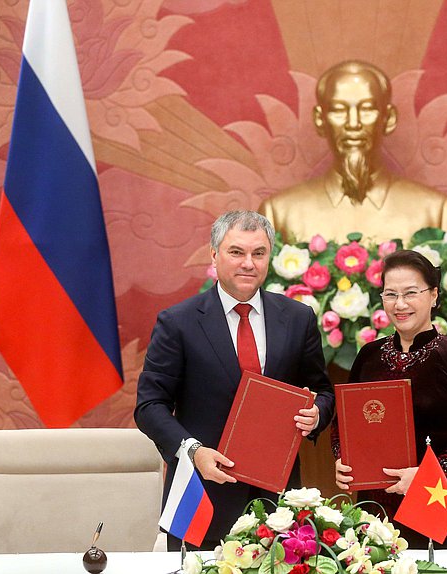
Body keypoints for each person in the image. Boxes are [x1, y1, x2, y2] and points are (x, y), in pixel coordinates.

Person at [135, 210, 335, 550]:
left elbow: (324, 392)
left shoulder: (298, 318)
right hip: (202, 498)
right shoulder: (178, 322)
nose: (248, 263)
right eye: (236, 252)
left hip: (280, 507)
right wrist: (192, 450)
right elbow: (149, 405)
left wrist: (317, 414)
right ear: (214, 255)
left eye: (258, 253)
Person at [332, 249, 447, 549]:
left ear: (434, 295)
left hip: (434, 498)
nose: (400, 304)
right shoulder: (368, 356)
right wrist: (341, 457)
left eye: (411, 293)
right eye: (391, 294)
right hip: (374, 506)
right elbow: (342, 422)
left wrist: (428, 474)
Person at [258, 60, 447, 245]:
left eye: (367, 109)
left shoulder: (435, 213)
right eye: (339, 110)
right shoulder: (279, 214)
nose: (353, 123)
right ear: (320, 120)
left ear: (388, 118)